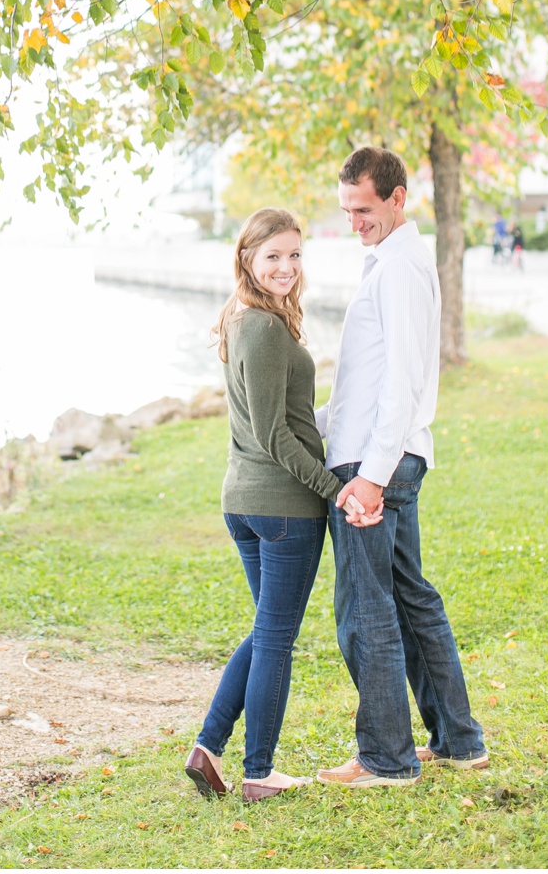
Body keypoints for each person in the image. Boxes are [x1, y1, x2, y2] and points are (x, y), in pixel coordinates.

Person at [187, 208, 380, 805]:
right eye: (273, 256)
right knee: (275, 638)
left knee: (265, 631)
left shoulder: (246, 319)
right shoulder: (265, 330)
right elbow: (276, 435)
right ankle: (259, 770)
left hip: (244, 500)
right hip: (282, 508)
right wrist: (336, 487)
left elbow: (284, 422)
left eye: (295, 255)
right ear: (247, 258)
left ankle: (207, 748)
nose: (286, 267)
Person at [315, 146, 488, 787]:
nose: (354, 222)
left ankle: (387, 756)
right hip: (378, 454)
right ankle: (459, 740)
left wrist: (371, 474)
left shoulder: (400, 270)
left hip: (377, 461)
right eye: (347, 211)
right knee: (411, 599)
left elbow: (402, 381)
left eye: (364, 210)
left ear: (397, 197)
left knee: (367, 608)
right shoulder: (390, 262)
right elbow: (363, 381)